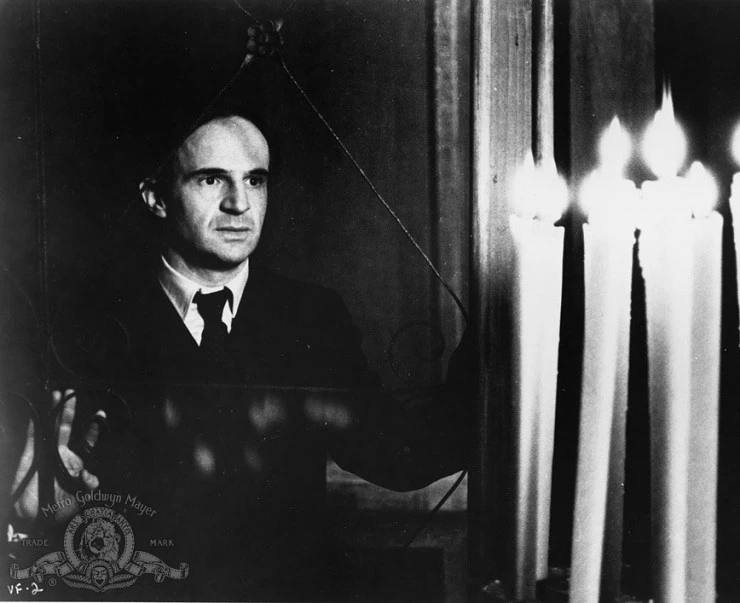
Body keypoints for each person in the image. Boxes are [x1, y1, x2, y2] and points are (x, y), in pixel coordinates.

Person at [9, 107, 473, 600]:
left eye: (255, 180)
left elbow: (400, 458)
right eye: (211, 180)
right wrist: (31, 520)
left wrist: (494, 351)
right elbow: (44, 521)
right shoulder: (86, 326)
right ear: (156, 197)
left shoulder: (312, 317)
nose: (239, 204)